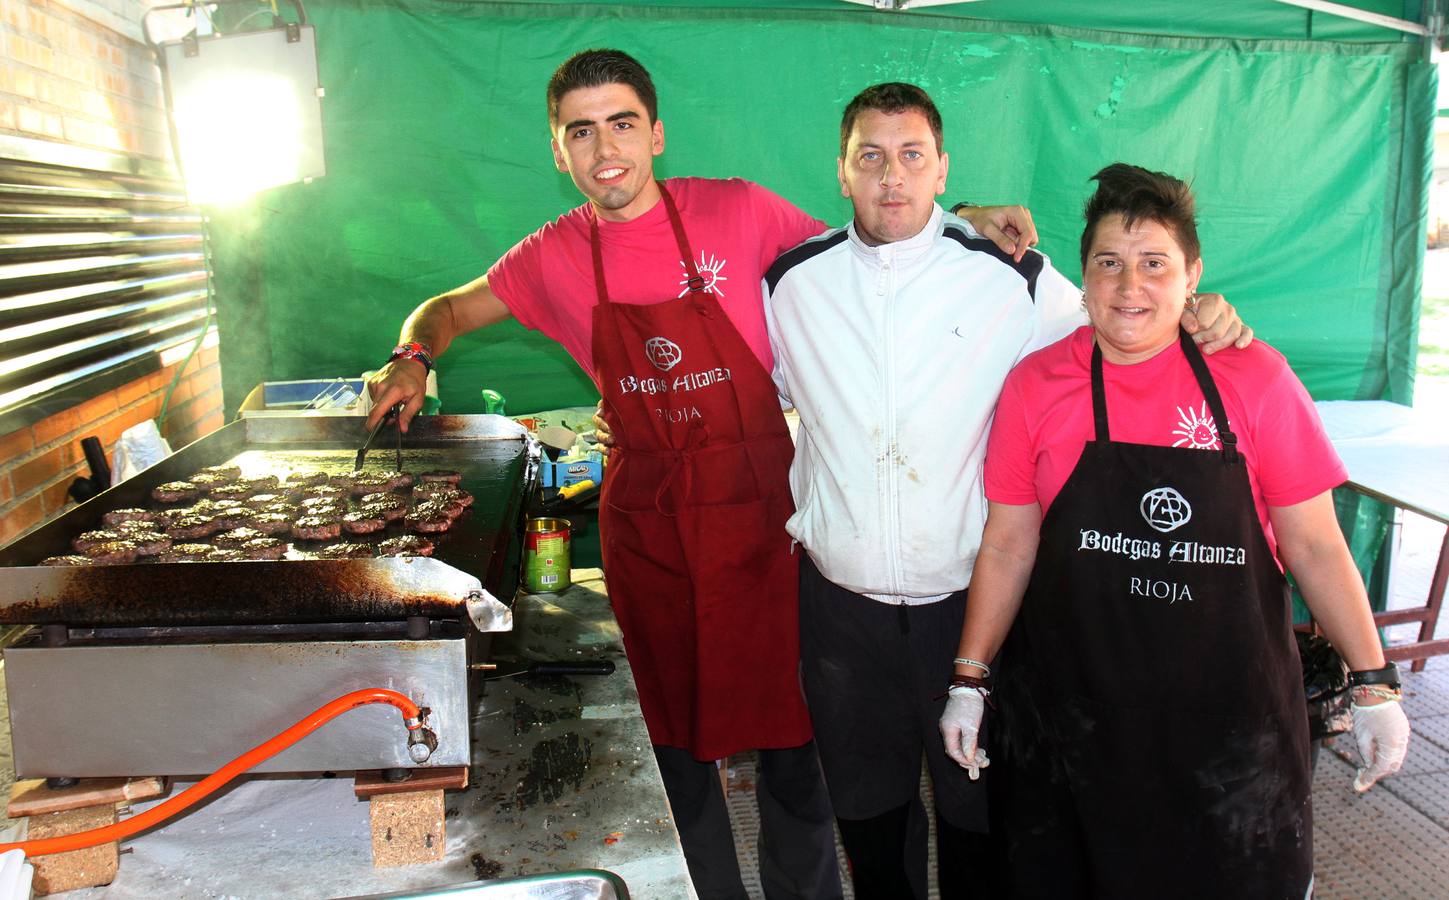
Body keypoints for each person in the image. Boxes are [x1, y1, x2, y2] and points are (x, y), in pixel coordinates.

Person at [364, 49, 1034, 900]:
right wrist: (412, 355)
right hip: (653, 534)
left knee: (795, 744)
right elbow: (450, 309)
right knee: (675, 746)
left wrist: (960, 212)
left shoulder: (739, 210)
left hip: (764, 529)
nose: (604, 148)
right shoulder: (554, 252)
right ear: (558, 151)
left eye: (622, 123)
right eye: (581, 130)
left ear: (656, 133)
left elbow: (869, 236)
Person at [763, 86, 1249, 900]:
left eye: (912, 155)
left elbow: (1125, 314)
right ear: (840, 170)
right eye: (870, 156)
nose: (892, 177)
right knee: (870, 823)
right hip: (841, 611)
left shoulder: (1011, 279)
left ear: (942, 167)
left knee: (977, 822)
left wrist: (1201, 309)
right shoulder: (790, 285)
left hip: (973, 602)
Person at [939, 163, 1412, 898]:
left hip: (1230, 739)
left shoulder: (1253, 379)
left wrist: (1374, 681)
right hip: (1071, 732)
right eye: (1109, 264)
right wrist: (969, 678)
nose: (1130, 286)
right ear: (1085, 277)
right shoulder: (1035, 385)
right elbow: (1007, 543)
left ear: (1193, 274)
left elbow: (1315, 545)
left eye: (1153, 264)